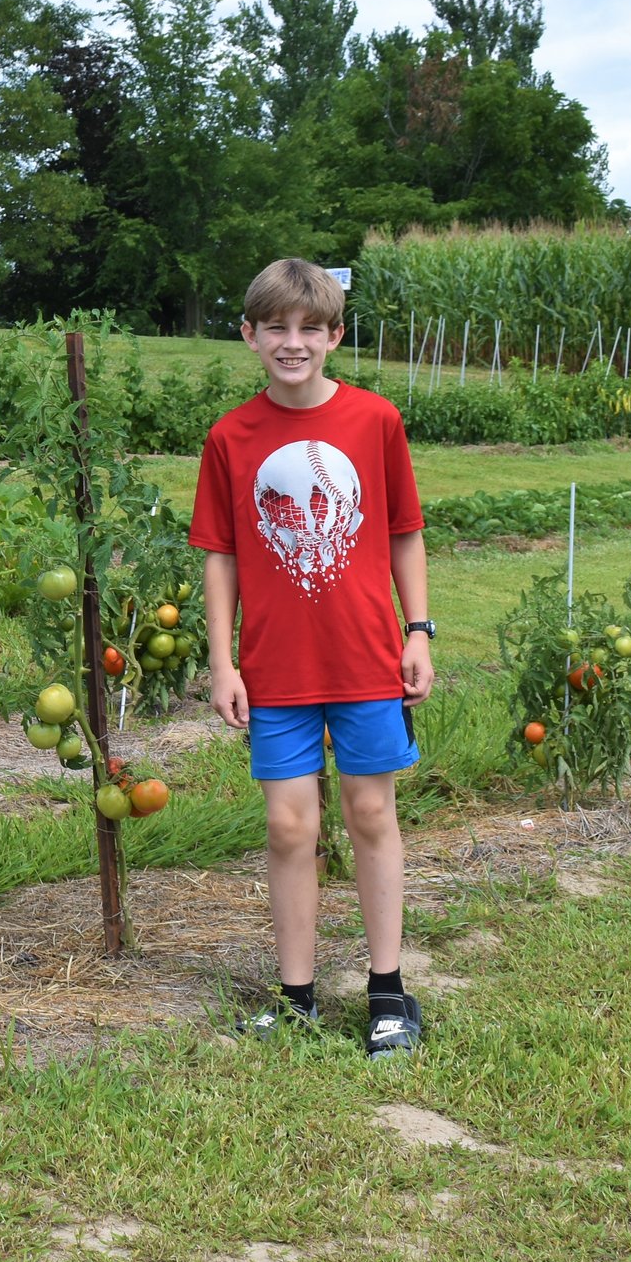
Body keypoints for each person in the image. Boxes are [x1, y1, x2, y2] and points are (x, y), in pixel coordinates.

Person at [189, 258, 434, 1058]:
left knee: (371, 813)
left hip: (365, 657)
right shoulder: (231, 437)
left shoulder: (374, 421)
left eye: (310, 328)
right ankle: (295, 996)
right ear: (249, 335)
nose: (292, 343)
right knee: (289, 825)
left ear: (334, 335)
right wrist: (223, 662)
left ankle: (388, 991)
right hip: (277, 668)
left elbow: (403, 531)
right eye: (275, 328)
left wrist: (419, 629)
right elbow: (220, 555)